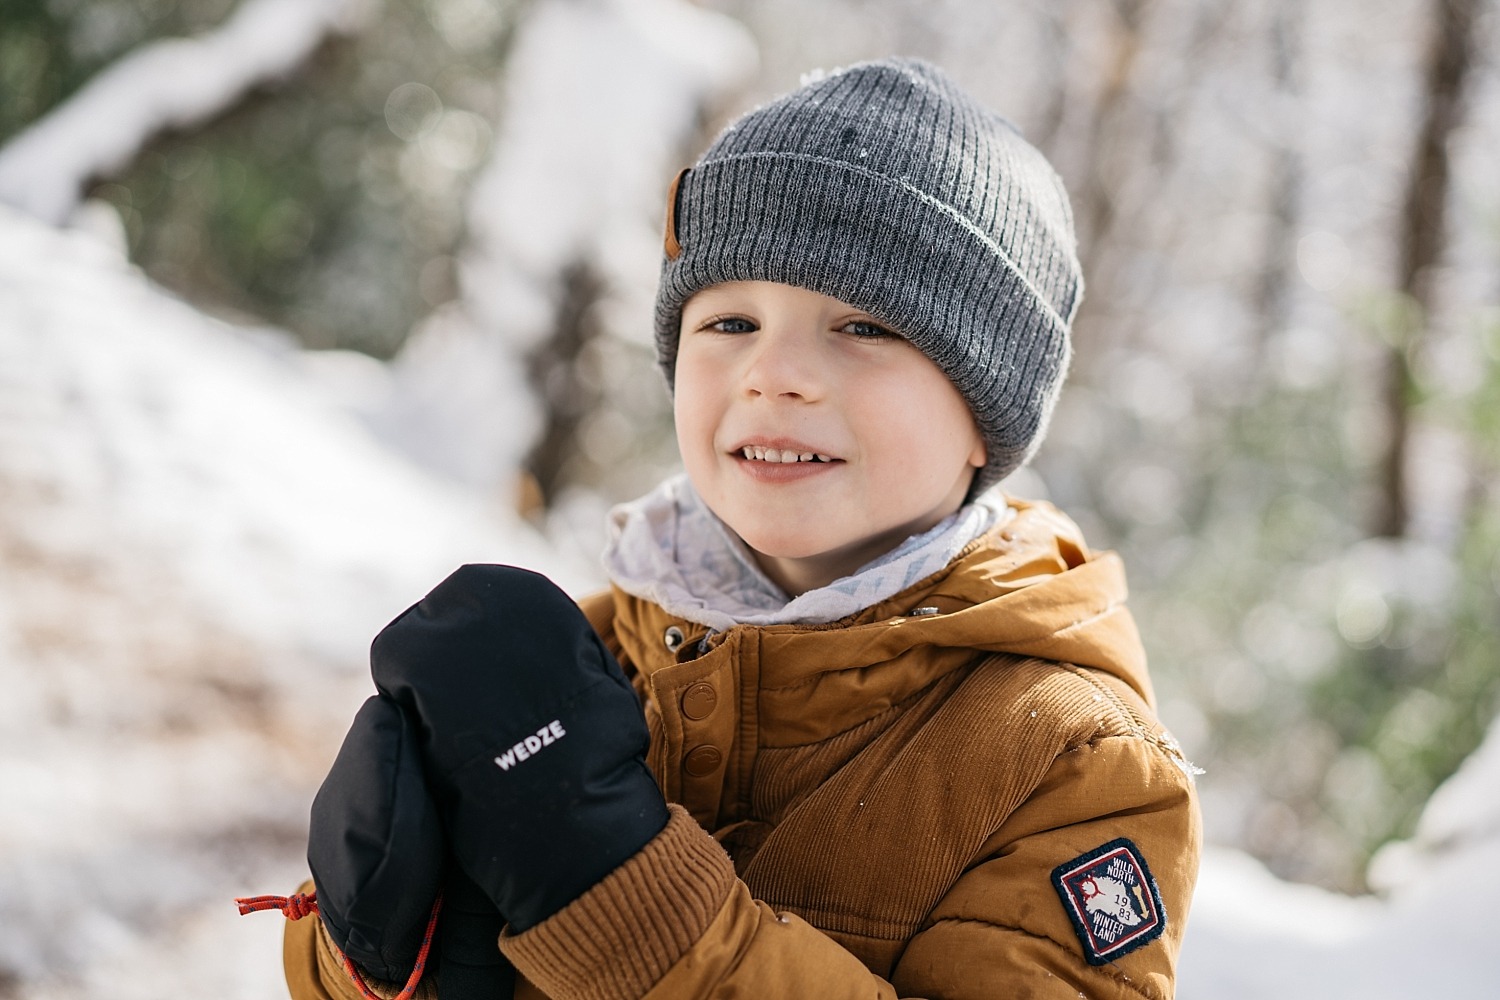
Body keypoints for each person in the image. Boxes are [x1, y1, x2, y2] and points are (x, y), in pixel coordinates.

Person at [261, 57, 1201, 999]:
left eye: (866, 327)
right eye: (731, 321)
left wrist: (629, 905)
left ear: (984, 419)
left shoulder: (1071, 764)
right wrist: (371, 951)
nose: (774, 372)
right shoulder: (595, 661)